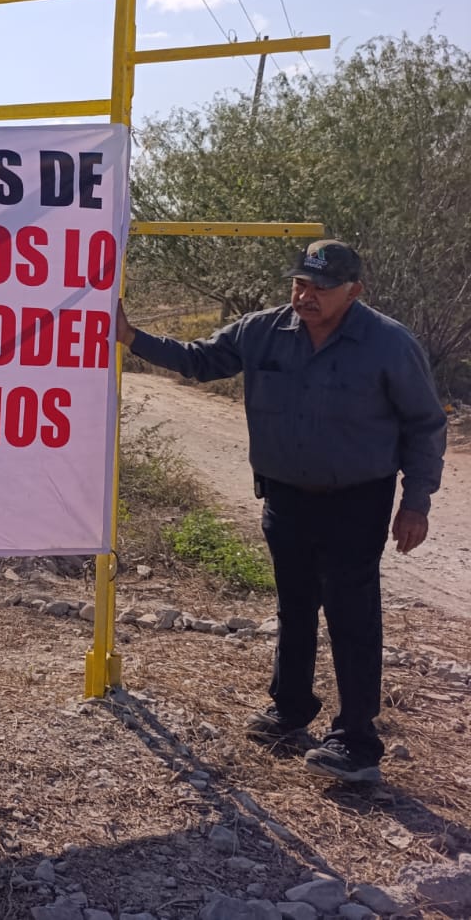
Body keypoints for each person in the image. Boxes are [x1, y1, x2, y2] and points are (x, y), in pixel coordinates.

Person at [115, 239, 446, 783]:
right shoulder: (263, 329)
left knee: (351, 616)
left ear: (353, 291)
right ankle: (290, 709)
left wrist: (416, 503)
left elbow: (425, 426)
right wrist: (132, 338)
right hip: (285, 496)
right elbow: (201, 361)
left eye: (320, 287)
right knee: (295, 606)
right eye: (299, 283)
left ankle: (356, 742)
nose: (305, 295)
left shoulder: (388, 344)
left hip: (356, 500)